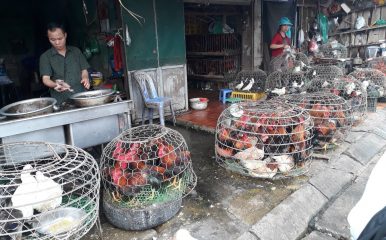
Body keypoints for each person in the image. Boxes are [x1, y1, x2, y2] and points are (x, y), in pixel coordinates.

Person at [39, 22, 90, 104]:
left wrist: (85, 78)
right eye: (52, 40)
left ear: (65, 35)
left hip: (82, 96)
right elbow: (46, 79)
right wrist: (55, 85)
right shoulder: (45, 57)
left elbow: (84, 70)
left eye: (60, 38)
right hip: (61, 100)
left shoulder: (76, 51)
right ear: (48, 38)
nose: (57, 43)